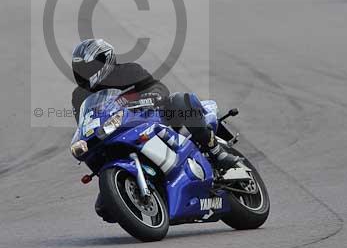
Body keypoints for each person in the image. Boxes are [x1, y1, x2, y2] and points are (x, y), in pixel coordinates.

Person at [70, 38, 240, 172]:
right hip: (115, 133)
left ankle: (216, 152)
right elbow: (84, 123)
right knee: (103, 206)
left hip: (150, 117)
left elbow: (159, 89)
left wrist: (147, 98)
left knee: (180, 99)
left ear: (104, 60)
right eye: (80, 69)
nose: (84, 73)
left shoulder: (128, 71)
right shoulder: (79, 96)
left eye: (88, 67)